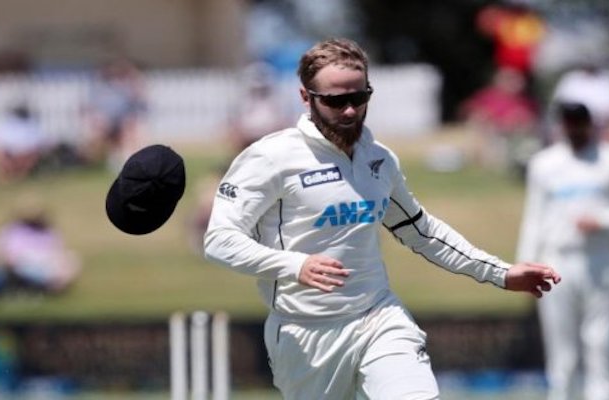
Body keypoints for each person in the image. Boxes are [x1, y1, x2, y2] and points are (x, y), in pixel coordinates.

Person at [204, 38, 561, 400]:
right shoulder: (270, 157)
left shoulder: (379, 159)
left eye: (359, 98)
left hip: (379, 316)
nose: (349, 111)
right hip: (304, 332)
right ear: (305, 97)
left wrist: (501, 273)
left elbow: (422, 231)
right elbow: (219, 240)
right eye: (335, 101)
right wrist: (295, 265)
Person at [516, 101, 609, 400]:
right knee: (561, 344)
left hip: (599, 258)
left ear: (591, 124)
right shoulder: (545, 164)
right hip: (556, 259)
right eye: (569, 124)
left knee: (600, 339)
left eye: (580, 124)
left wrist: (602, 220)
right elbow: (534, 217)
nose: (575, 131)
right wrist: (526, 264)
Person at [0, 201, 81, 294]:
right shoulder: (12, 231)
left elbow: (57, 250)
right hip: (23, 264)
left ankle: (56, 286)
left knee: (71, 259)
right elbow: (5, 254)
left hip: (46, 262)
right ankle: (49, 286)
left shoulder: (48, 231)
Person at [0, 103, 51, 183]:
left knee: (29, 156)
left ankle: (15, 175)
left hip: (23, 154)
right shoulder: (8, 125)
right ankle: (9, 174)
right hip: (11, 154)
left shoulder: (30, 126)